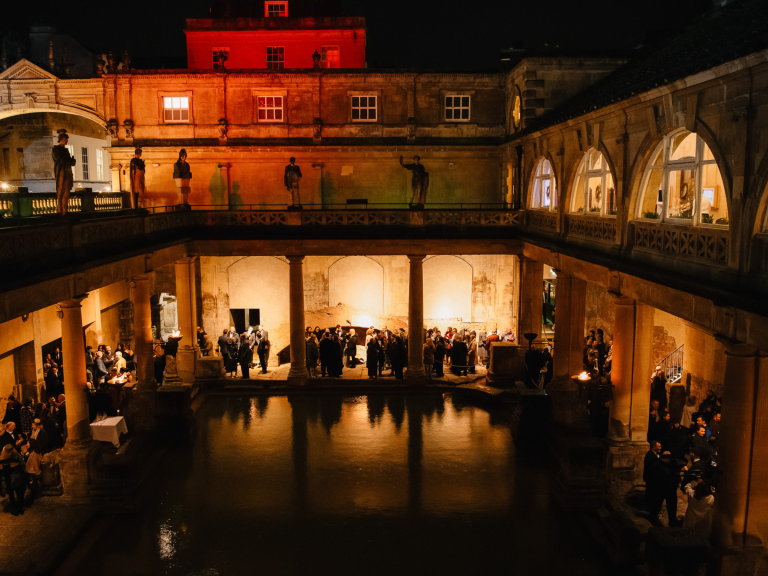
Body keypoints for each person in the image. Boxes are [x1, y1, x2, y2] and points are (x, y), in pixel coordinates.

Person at [52, 131, 76, 215]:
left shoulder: (65, 150)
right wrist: (69, 161)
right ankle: (61, 211)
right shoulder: (56, 149)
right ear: (61, 139)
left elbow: (69, 162)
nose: (67, 141)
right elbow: (61, 160)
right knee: (61, 192)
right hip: (61, 173)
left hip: (67, 173)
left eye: (67, 139)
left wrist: (72, 161)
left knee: (67, 192)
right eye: (65, 139)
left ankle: (65, 211)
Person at [0, 444, 26, 515]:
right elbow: (23, 464)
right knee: (19, 493)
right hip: (17, 478)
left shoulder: (2, 459)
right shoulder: (17, 456)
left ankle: (14, 509)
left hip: (7, 479)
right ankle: (20, 509)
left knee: (11, 495)